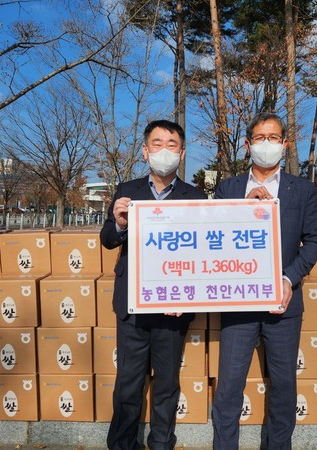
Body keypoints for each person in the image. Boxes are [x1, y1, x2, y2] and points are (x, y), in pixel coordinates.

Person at [211, 112, 317, 450]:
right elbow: (212, 237)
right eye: (259, 138)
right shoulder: (228, 188)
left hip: (283, 307)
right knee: (229, 387)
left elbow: (314, 240)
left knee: (284, 387)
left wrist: (289, 279)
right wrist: (240, 212)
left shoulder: (302, 190)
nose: (266, 144)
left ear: (285, 144)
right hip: (238, 306)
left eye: (273, 138)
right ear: (247, 145)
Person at [100, 120, 207, 450]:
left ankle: (162, 443)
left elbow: (204, 251)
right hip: (133, 307)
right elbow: (107, 240)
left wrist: (187, 297)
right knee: (128, 384)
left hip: (174, 310)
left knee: (166, 385)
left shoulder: (196, 196)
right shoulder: (127, 190)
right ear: (145, 151)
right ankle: (121, 445)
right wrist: (119, 224)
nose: (164, 151)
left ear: (182, 152)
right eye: (157, 144)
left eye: (171, 145)